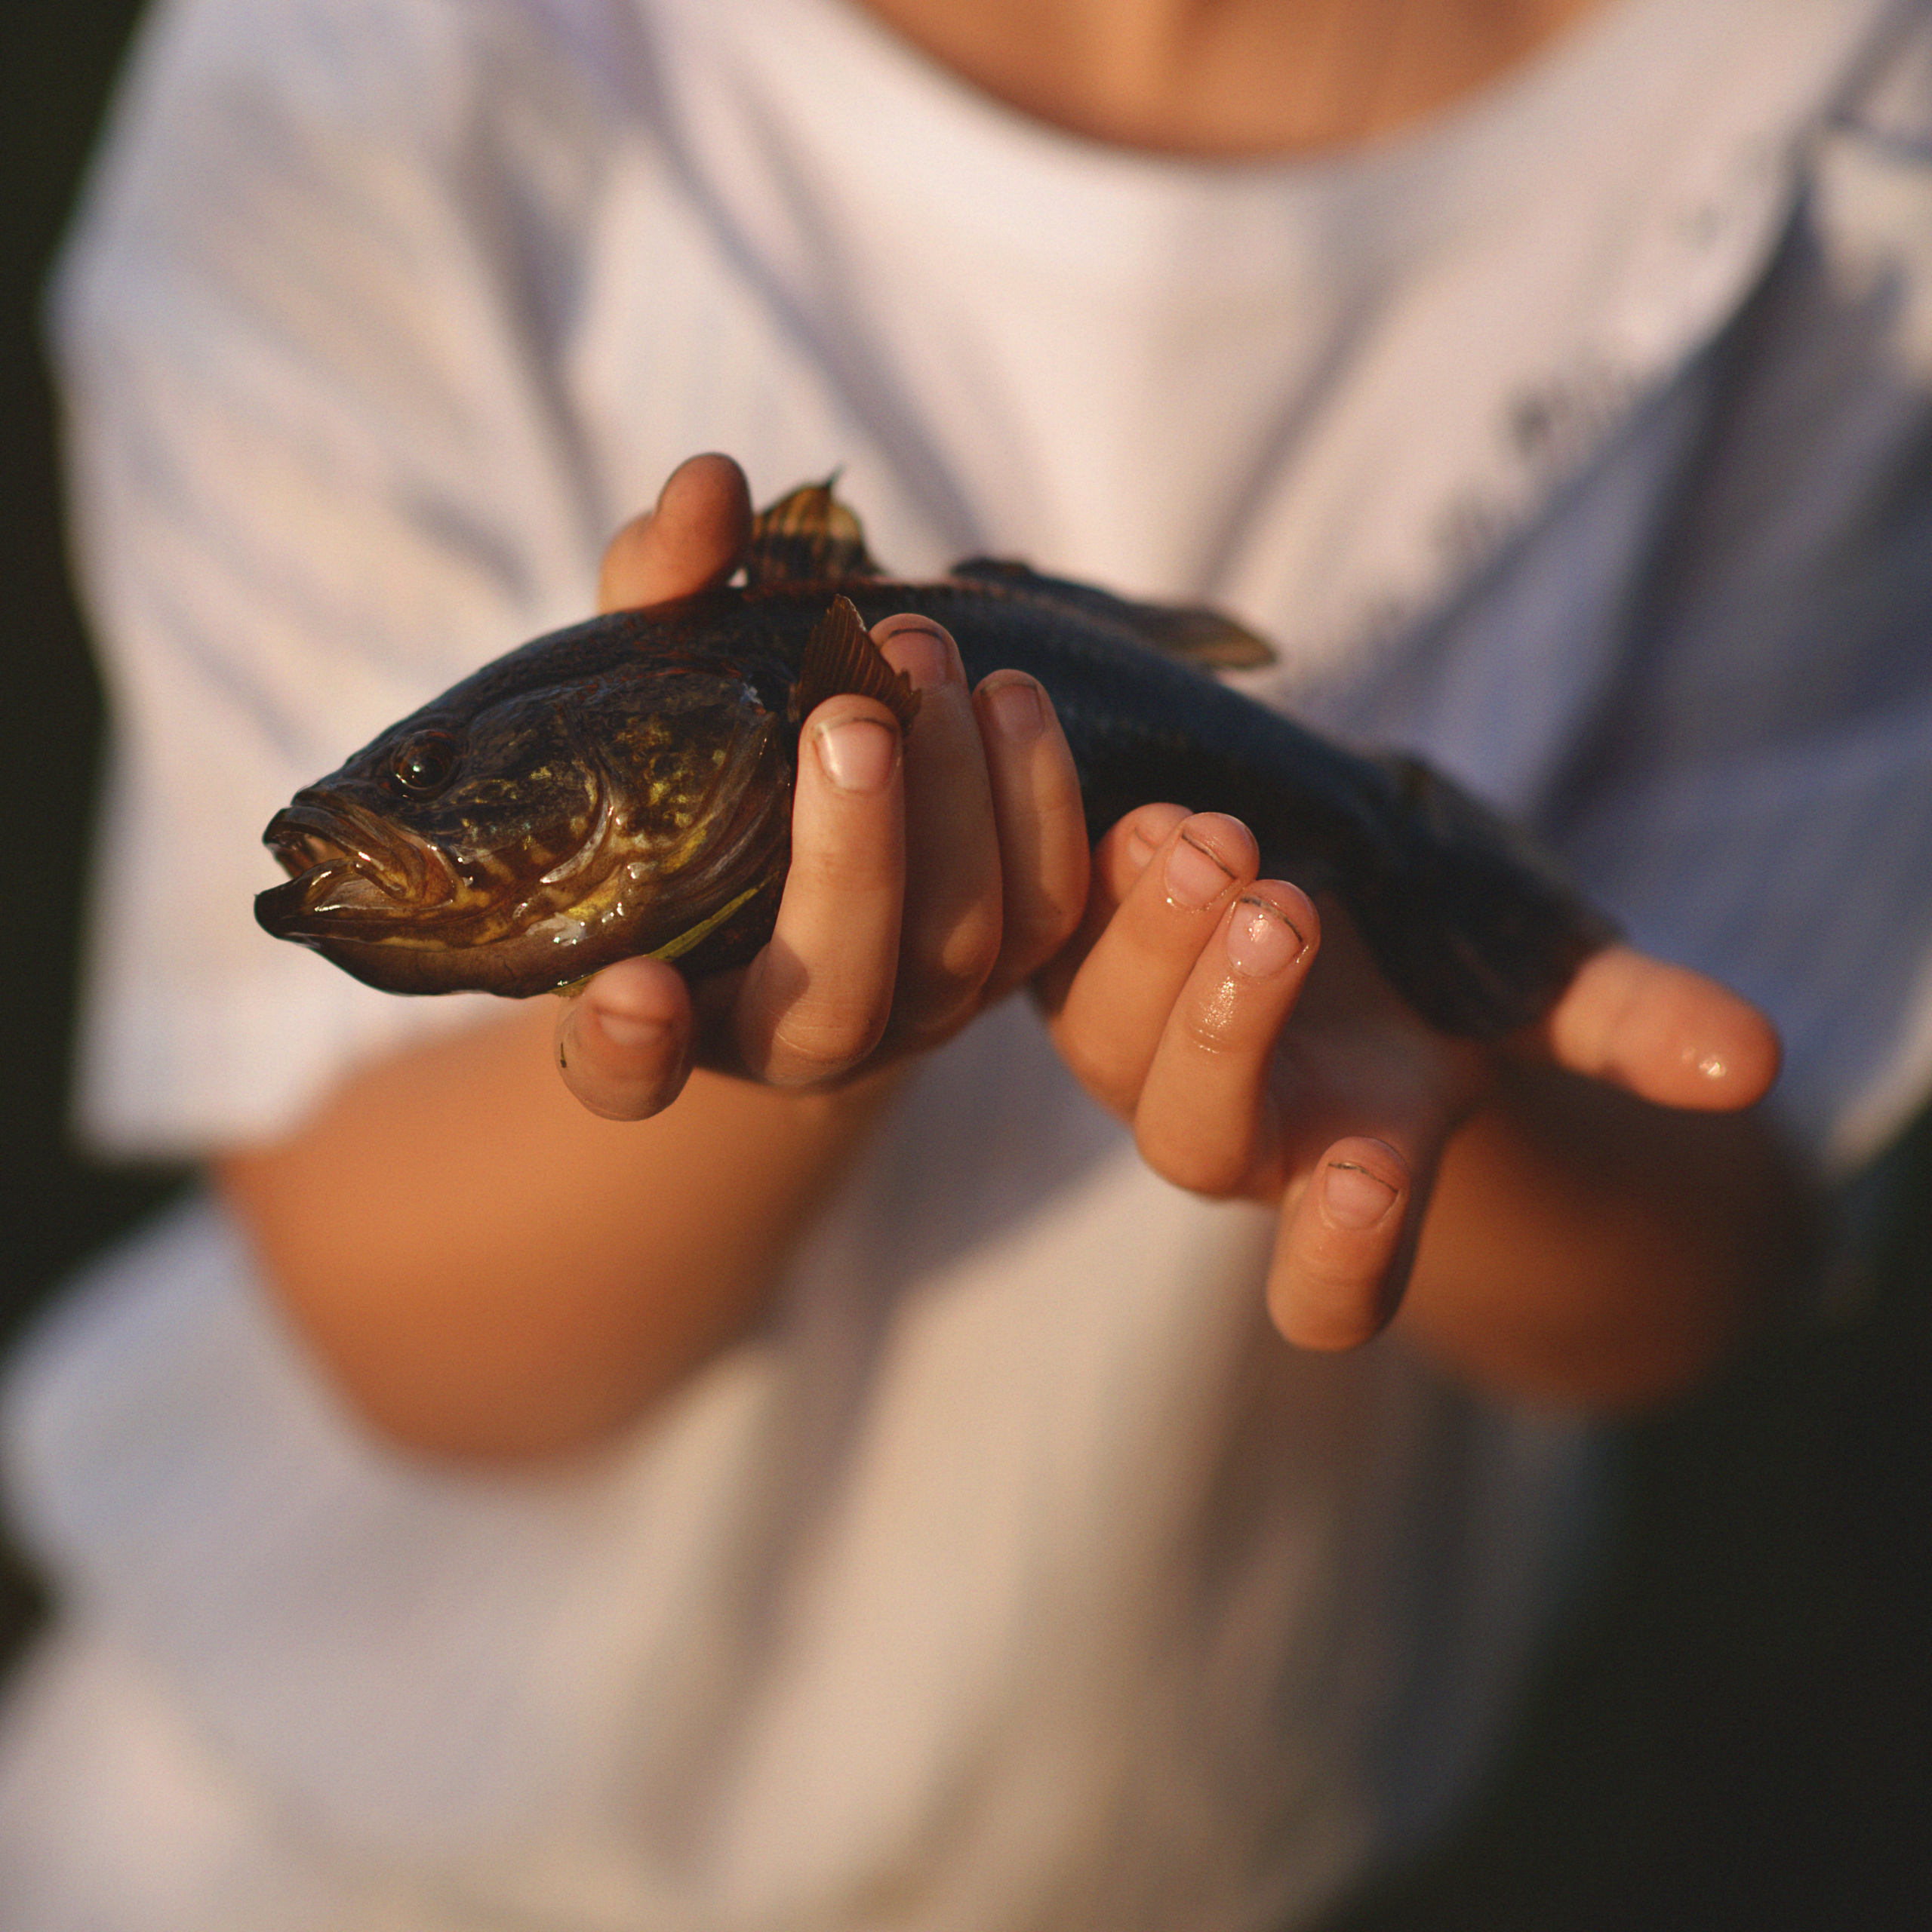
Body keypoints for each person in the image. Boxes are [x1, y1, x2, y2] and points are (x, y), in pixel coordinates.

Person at [2, 0, 1929, 1924]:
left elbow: (1696, 1258)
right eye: (425, 778)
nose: (402, 812)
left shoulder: (1830, 124)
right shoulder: (365, 79)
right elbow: (389, 1306)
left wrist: (1421, 1082)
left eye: (437, 779)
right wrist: (796, 1010)